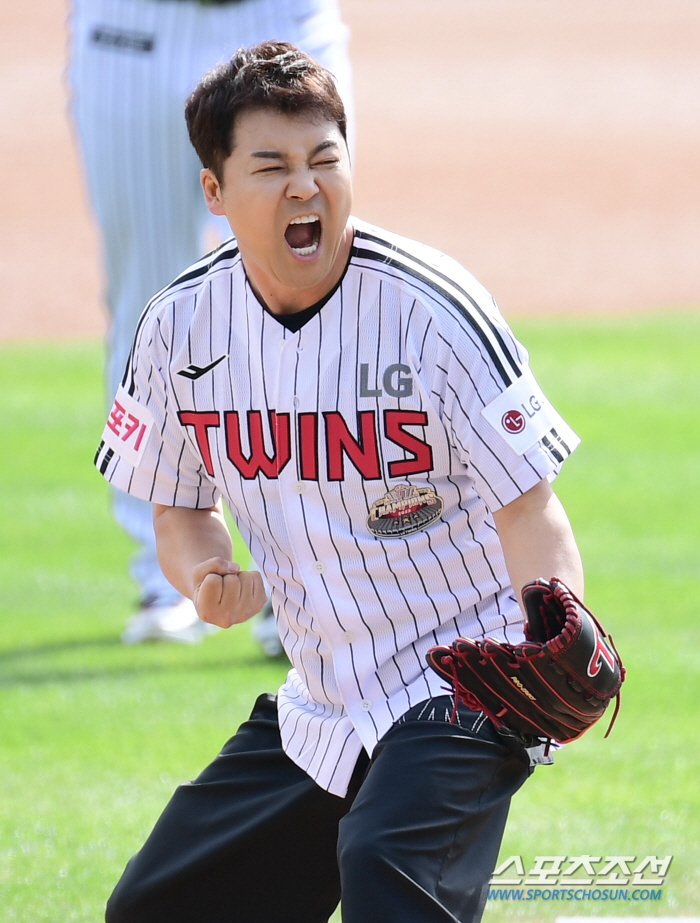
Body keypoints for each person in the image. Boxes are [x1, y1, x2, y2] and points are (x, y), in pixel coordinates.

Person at [96, 41, 586, 923]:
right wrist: (202, 575)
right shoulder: (179, 327)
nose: (306, 187)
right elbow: (177, 501)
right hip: (320, 697)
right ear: (214, 192)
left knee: (385, 865)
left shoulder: (431, 310)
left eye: (327, 159)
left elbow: (528, 501)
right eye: (273, 166)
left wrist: (554, 618)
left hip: (463, 676)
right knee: (160, 906)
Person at [69, 0, 353, 648]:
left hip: (282, 13)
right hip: (133, 25)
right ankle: (166, 574)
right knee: (148, 301)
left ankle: (312, 587)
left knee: (318, 292)